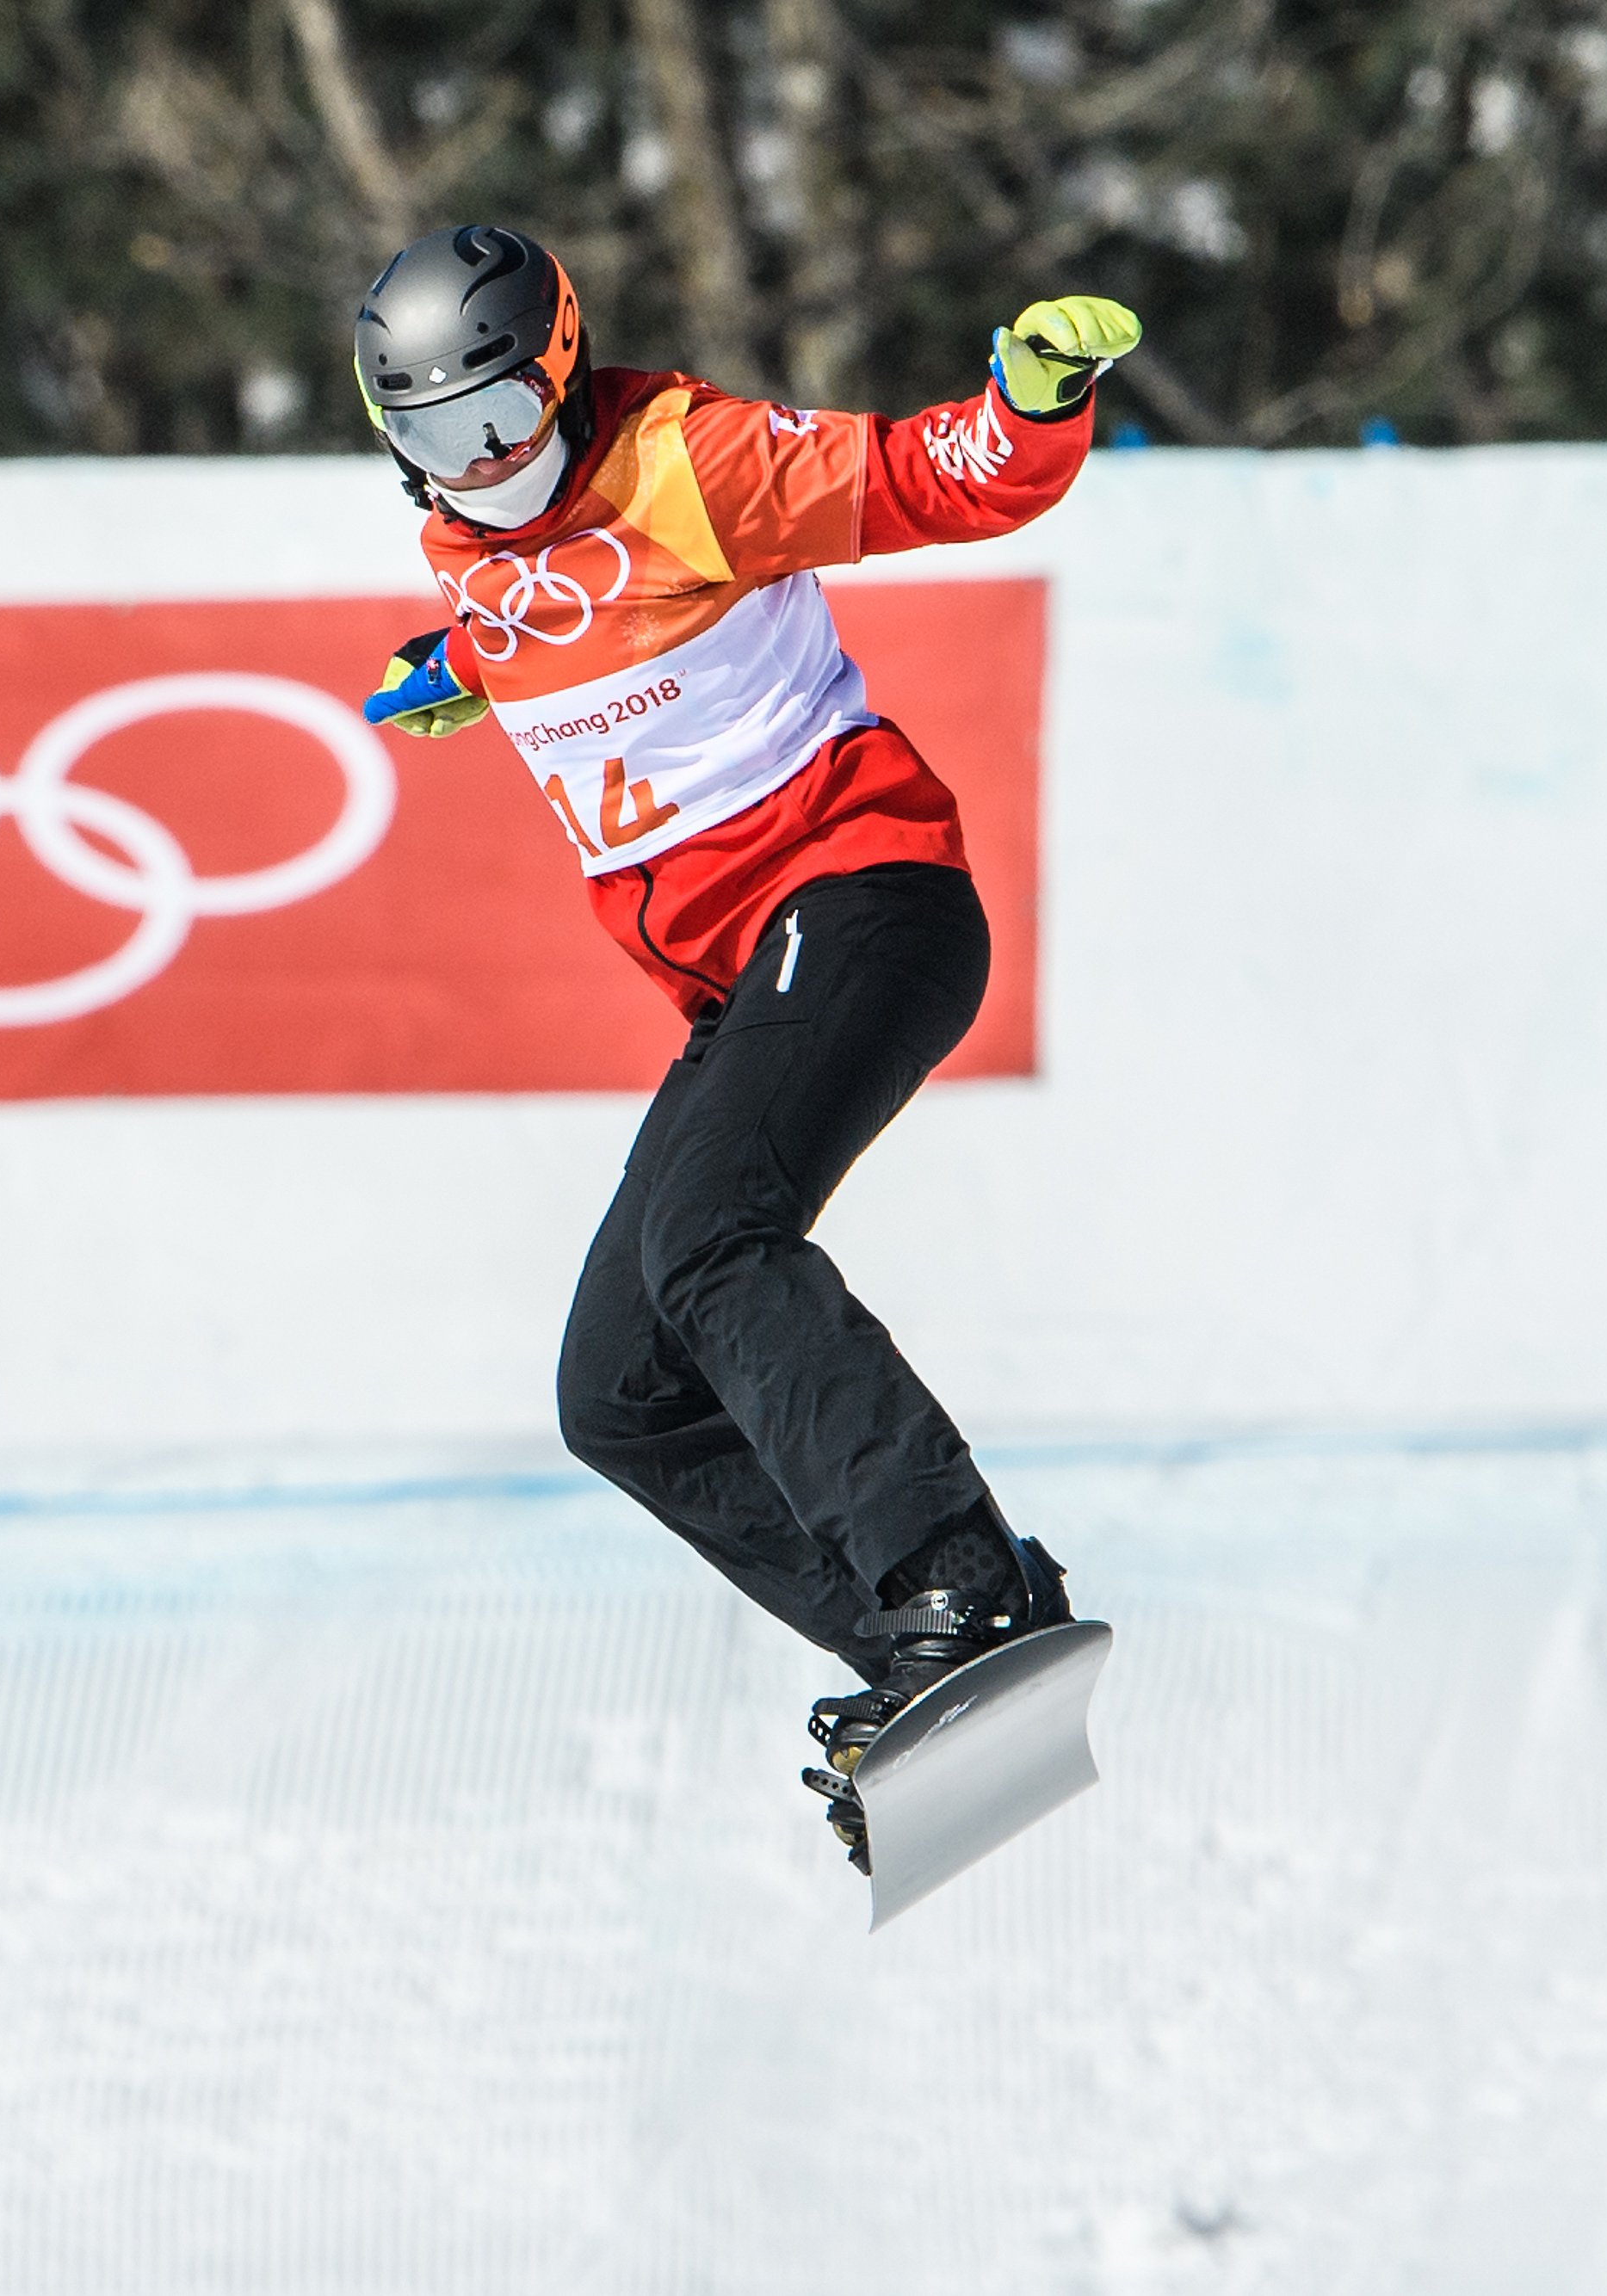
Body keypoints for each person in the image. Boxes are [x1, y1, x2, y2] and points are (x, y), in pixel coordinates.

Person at [349, 224, 1141, 1871]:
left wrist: (1028, 402)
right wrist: (470, 665)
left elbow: (936, 481)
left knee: (714, 1245)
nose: (478, 464)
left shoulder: (684, 462)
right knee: (620, 1393)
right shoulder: (470, 550)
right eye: (430, 438)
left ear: (559, 372)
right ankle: (926, 1666)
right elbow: (558, 606)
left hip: (862, 904)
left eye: (499, 417)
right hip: (746, 981)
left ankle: (961, 1590)